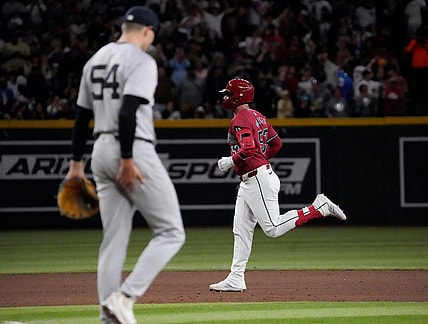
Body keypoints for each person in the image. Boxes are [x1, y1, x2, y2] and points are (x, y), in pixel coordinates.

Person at [65, 6, 186, 324]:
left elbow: (80, 118)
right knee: (171, 232)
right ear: (148, 31)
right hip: (130, 149)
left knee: (113, 239)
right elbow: (128, 111)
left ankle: (108, 317)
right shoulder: (142, 61)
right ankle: (125, 297)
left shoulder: (95, 60)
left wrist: (76, 164)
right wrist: (129, 160)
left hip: (99, 151)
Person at [209, 78, 346, 293]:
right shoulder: (258, 116)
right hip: (253, 178)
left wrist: (231, 161)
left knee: (272, 228)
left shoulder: (241, 119)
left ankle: (318, 207)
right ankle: (236, 278)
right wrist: (258, 159)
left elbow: (248, 147)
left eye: (228, 93)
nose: (225, 97)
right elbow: (276, 143)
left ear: (238, 96)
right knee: (241, 230)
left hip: (257, 179)